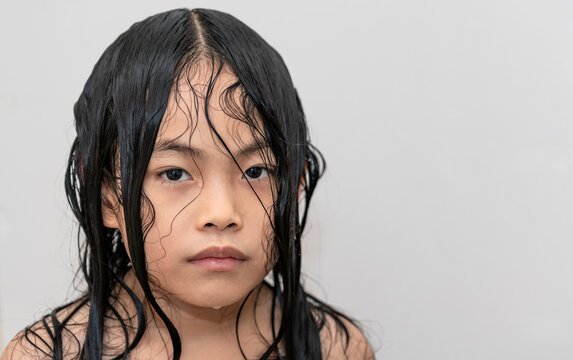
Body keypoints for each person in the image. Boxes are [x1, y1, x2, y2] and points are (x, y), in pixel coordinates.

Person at [1, 8, 373, 360]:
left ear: (294, 187)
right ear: (107, 196)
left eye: (256, 171)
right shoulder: (44, 355)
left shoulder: (335, 350)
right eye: (175, 173)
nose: (222, 213)